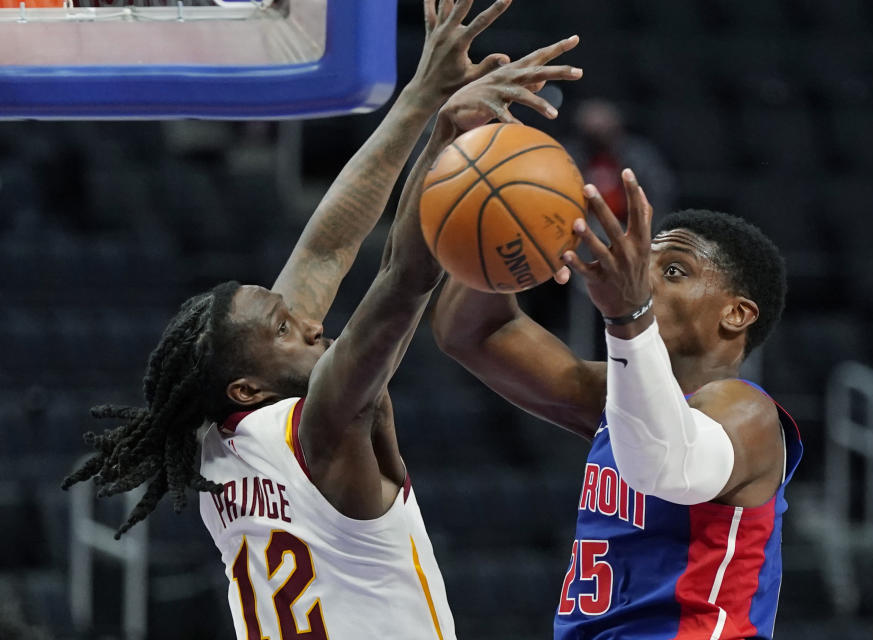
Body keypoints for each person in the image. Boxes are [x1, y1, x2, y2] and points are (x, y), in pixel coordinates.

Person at [60, 0, 583, 635]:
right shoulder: (324, 427)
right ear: (247, 387)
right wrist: (448, 139)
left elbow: (327, 249)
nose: (310, 324)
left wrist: (423, 95)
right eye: (284, 329)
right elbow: (403, 278)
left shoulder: (216, 442)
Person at [432, 172, 802, 639]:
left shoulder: (748, 413)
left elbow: (666, 463)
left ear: (736, 314)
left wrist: (628, 315)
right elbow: (473, 333)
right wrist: (511, 222)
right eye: (642, 264)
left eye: (673, 271)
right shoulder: (619, 400)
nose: (642, 279)